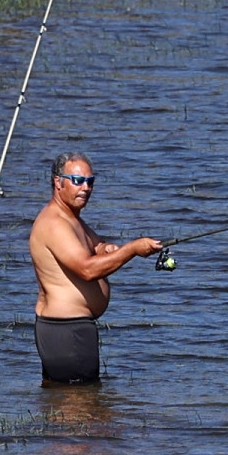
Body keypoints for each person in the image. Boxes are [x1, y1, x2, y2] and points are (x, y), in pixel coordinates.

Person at [28, 153, 161, 384]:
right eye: (77, 181)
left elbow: (94, 246)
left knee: (66, 407)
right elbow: (87, 270)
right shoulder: (55, 223)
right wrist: (132, 249)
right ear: (58, 182)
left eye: (90, 182)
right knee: (83, 408)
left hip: (69, 330)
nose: (86, 188)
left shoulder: (72, 218)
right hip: (66, 331)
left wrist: (107, 248)